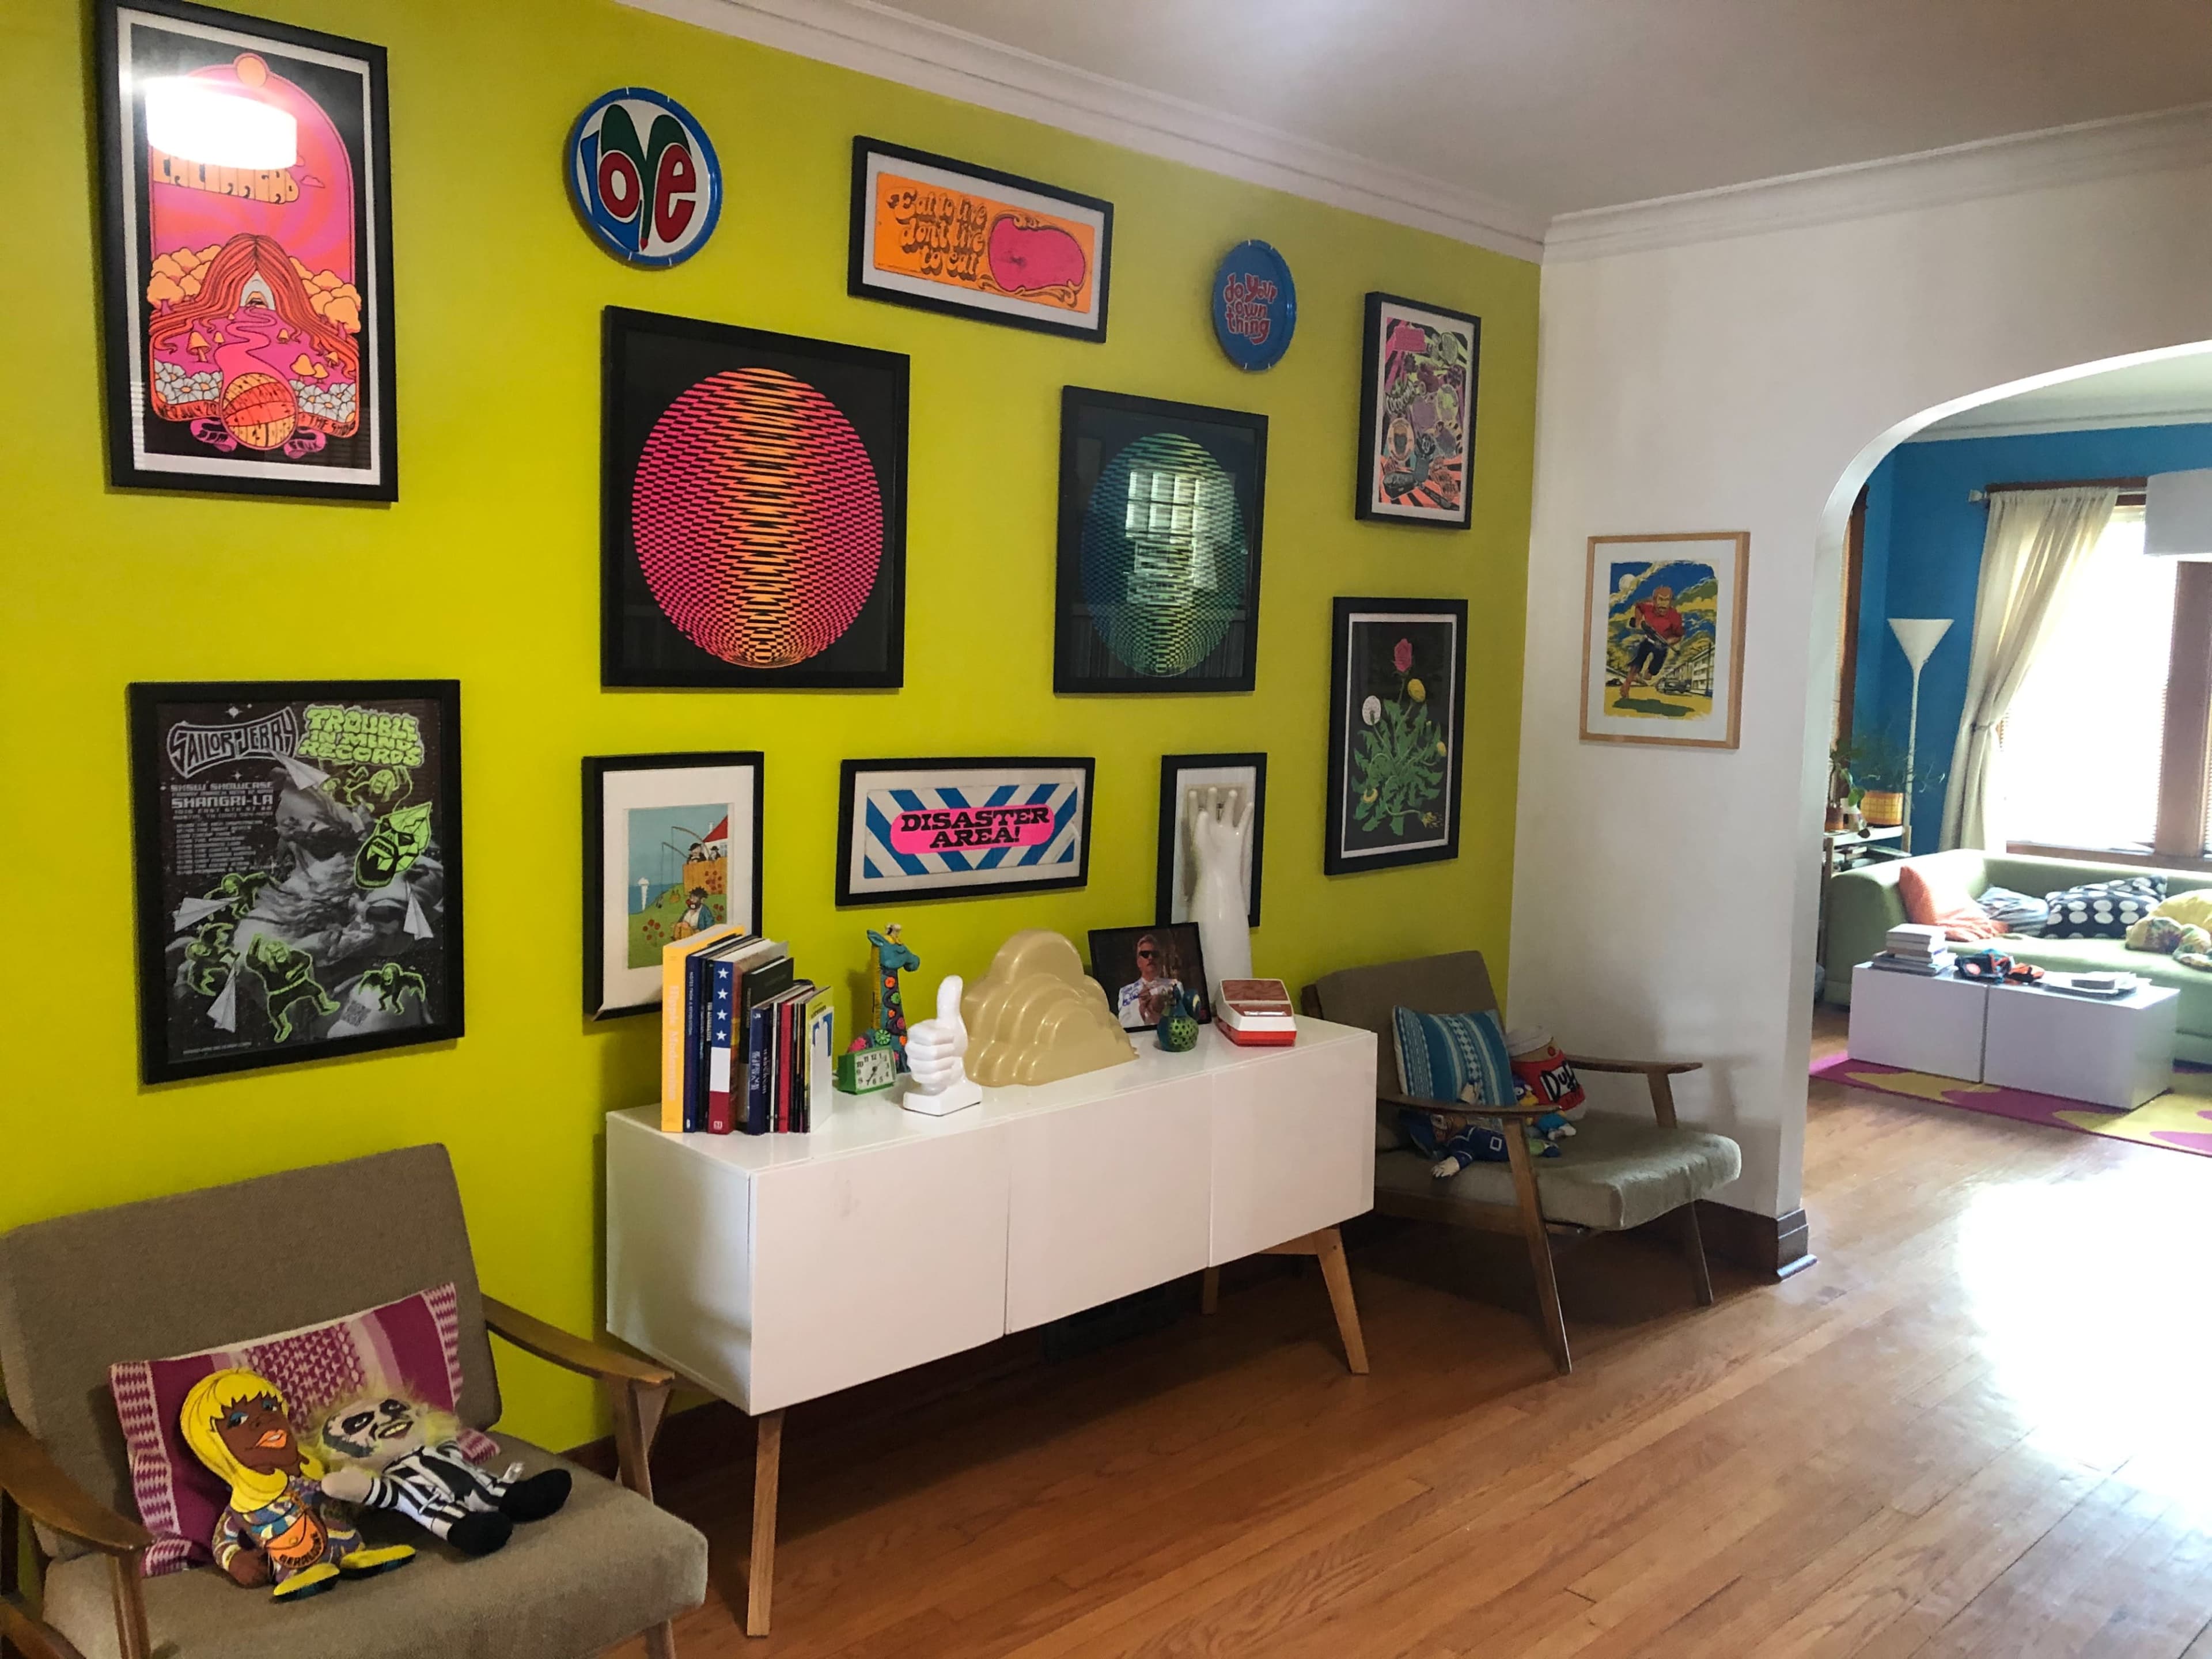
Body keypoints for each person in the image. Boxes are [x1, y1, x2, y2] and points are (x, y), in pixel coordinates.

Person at [1618, 584, 1685, 696]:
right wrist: (1639, 621)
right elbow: (1638, 607)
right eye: (1661, 600)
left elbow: (1678, 636)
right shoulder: (1648, 608)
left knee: (1653, 672)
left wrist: (1668, 642)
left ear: (1670, 602)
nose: (1663, 604)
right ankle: (1626, 685)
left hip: (1662, 646)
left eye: (1667, 600)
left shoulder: (1675, 617)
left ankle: (1649, 672)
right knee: (1637, 662)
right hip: (1648, 640)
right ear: (1654, 601)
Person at [1115, 933, 1181, 1029]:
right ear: (1139, 962)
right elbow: (1122, 1027)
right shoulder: (1126, 992)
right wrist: (1141, 1010)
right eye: (1145, 954)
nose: (1150, 958)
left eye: (1155, 954)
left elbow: (1185, 1019)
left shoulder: (1176, 986)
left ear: (1160, 960)